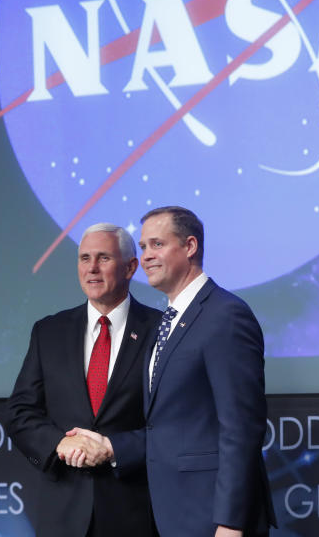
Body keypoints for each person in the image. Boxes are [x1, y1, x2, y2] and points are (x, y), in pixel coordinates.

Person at [68, 206, 276, 536]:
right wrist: (111, 447)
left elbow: (242, 428)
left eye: (157, 244)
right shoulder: (167, 321)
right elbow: (170, 428)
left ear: (190, 246)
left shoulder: (225, 315)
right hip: (173, 516)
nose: (147, 256)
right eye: (144, 247)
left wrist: (230, 523)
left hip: (213, 519)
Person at [7, 223, 160, 537]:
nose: (91, 268)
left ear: (131, 267)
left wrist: (114, 448)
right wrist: (60, 443)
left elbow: (174, 422)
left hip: (137, 511)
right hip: (63, 513)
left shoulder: (160, 331)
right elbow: (21, 412)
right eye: (84, 258)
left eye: (103, 258)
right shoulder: (49, 332)